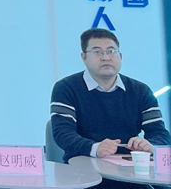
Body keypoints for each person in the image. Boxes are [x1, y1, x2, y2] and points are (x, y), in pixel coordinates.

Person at [51, 28, 171, 163]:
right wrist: (94, 148)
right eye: (97, 52)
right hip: (82, 165)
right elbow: (62, 132)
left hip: (130, 167)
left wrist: (150, 145)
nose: (106, 57)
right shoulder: (66, 88)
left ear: (120, 56)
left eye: (111, 51)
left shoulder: (140, 90)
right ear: (84, 57)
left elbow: (160, 133)